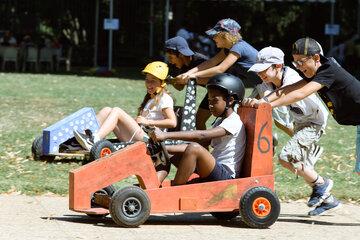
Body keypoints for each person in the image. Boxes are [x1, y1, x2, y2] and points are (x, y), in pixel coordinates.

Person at [244, 37, 360, 215]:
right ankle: (327, 198)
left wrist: (268, 105)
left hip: (314, 122)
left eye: (302, 61)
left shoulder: (328, 70)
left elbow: (300, 93)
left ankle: (323, 186)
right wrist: (263, 100)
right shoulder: (315, 73)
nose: (298, 66)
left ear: (316, 58)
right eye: (295, 62)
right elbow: (286, 91)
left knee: (287, 157)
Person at [150, 73, 246, 185]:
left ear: (230, 100)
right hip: (214, 170)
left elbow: (202, 136)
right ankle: (154, 183)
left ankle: (176, 188)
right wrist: (165, 148)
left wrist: (165, 135)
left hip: (226, 177)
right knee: (169, 154)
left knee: (194, 148)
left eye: (214, 101)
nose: (210, 105)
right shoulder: (221, 121)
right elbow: (197, 143)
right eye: (209, 101)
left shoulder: (234, 121)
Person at [175, 18, 261, 129]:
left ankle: (272, 137)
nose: (213, 38)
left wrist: (194, 75)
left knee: (281, 120)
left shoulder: (238, 47)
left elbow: (220, 69)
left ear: (225, 35)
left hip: (269, 84)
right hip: (259, 85)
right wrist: (188, 73)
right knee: (246, 114)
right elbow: (211, 62)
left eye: (216, 35)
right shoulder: (227, 49)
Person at [74, 61, 177, 151]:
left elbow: (172, 122)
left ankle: (94, 140)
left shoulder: (165, 98)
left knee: (117, 111)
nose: (148, 84)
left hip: (149, 140)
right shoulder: (151, 98)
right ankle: (85, 136)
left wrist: (148, 122)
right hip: (140, 135)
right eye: (147, 80)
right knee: (107, 110)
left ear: (162, 83)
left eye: (153, 81)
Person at [164, 36, 209, 129]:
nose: (170, 61)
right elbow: (180, 87)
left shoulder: (200, 61)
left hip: (226, 90)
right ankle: (203, 144)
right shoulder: (181, 65)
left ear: (180, 54)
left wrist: (176, 80)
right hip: (212, 92)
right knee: (198, 122)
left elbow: (212, 79)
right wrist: (171, 81)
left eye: (171, 57)